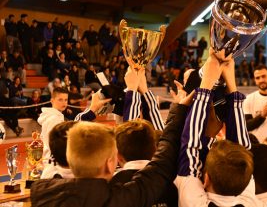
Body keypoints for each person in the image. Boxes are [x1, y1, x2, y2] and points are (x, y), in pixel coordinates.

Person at [30, 81, 192, 206]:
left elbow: (67, 134)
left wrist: (90, 112)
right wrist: (179, 109)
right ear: (110, 164)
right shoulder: (118, 196)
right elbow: (163, 160)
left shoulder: (40, 194)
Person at [175, 49, 260, 207]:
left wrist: (216, 80)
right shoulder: (251, 202)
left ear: (206, 179)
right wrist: (224, 84)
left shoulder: (195, 203)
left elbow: (190, 146)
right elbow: (242, 152)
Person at [37, 87, 111, 178]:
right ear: (52, 100)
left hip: (55, 164)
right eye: (60, 100)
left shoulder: (55, 116)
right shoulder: (53, 119)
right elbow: (72, 132)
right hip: (56, 167)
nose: (64, 102)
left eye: (65, 100)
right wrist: (92, 109)